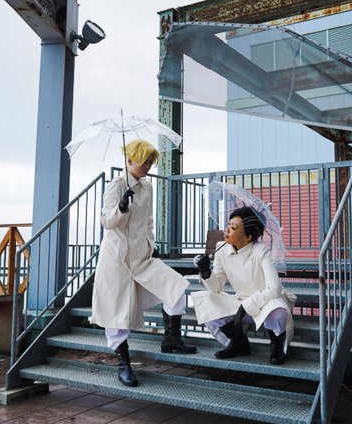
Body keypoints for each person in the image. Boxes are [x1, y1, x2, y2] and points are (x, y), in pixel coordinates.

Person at [90, 139, 196, 388]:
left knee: (175, 287)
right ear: (130, 160)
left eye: (151, 161)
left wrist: (152, 245)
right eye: (144, 161)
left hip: (142, 257)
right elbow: (107, 221)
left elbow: (148, 221)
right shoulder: (116, 185)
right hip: (117, 259)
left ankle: (171, 339)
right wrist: (122, 207)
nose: (148, 165)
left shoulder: (147, 187)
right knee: (117, 313)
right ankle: (124, 363)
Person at [191, 206, 295, 364]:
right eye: (228, 224)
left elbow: (275, 289)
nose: (226, 230)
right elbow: (217, 288)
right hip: (240, 302)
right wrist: (206, 273)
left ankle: (277, 344)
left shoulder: (261, 252)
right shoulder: (222, 250)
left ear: (248, 237)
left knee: (279, 311)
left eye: (233, 228)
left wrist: (247, 306)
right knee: (206, 302)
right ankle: (238, 342)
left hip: (265, 303)